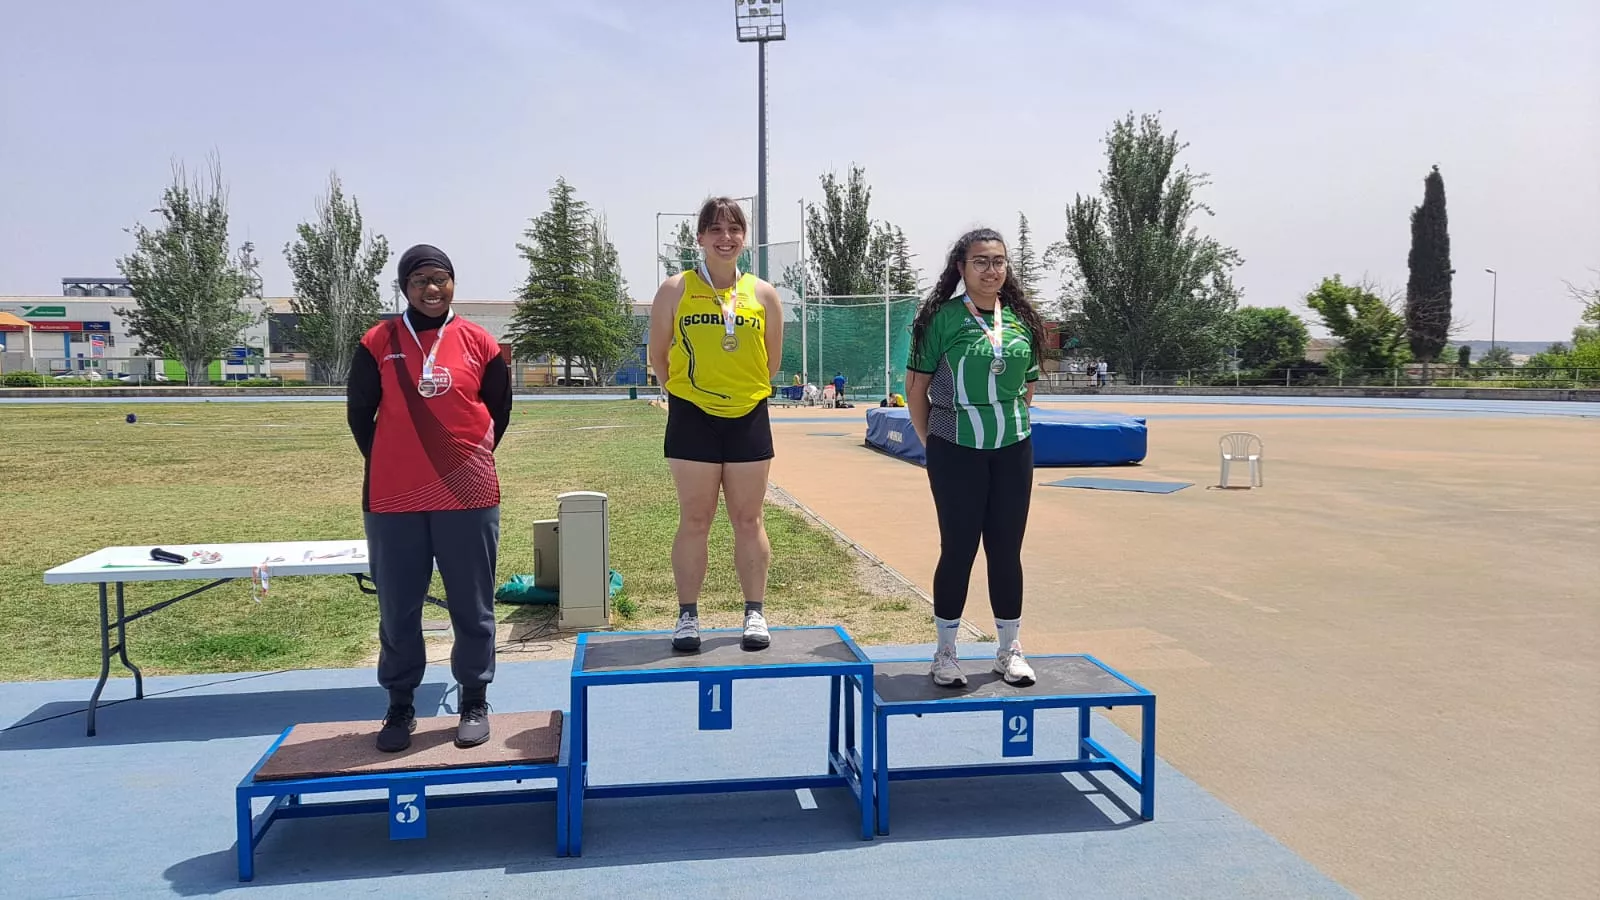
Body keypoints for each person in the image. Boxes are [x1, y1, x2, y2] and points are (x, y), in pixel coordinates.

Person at [347, 244, 514, 751]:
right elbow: (360, 416)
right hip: (394, 498)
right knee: (398, 608)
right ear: (404, 287)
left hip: (468, 493)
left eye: (440, 278)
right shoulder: (378, 341)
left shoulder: (480, 342)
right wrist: (397, 464)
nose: (431, 288)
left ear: (453, 283)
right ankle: (400, 706)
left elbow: (499, 413)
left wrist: (461, 462)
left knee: (472, 605)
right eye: (420, 280)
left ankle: (473, 698)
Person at [905, 227, 1045, 688]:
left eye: (999, 261)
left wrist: (1006, 426)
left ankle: (1009, 651)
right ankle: (945, 653)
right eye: (981, 261)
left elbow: (1025, 387)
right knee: (959, 550)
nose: (992, 269)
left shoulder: (1022, 320)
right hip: (955, 448)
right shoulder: (941, 319)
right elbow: (916, 389)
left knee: (1006, 551)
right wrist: (934, 442)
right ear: (961, 268)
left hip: (1012, 450)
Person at [648, 197, 785, 653]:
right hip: (692, 417)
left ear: (744, 238)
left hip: (748, 414)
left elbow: (773, 361)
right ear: (700, 238)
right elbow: (658, 356)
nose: (725, 238)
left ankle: (754, 613)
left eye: (734, 229)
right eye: (716, 230)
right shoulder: (675, 289)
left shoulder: (764, 294)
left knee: (749, 518)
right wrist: (691, 395)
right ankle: (687, 617)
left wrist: (738, 393)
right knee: (696, 519)